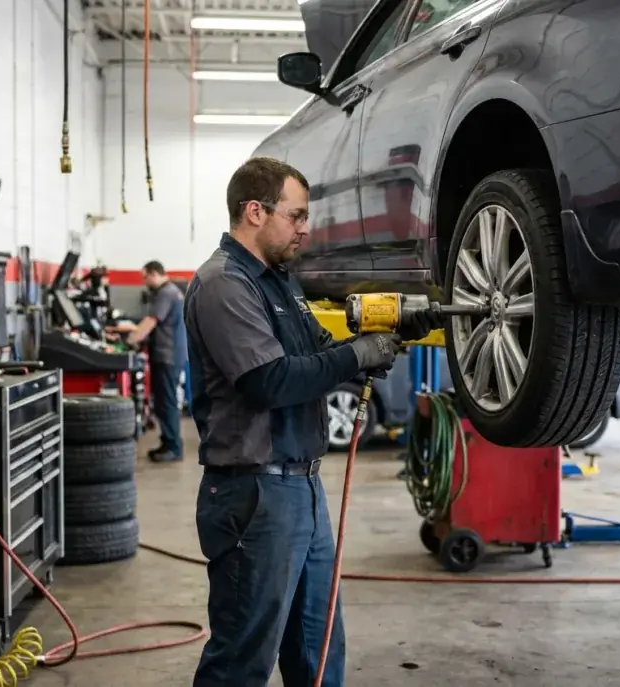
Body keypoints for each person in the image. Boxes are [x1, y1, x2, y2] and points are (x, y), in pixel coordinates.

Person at [184, 156, 440, 686]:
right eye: (295, 216)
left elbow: (319, 351)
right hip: (254, 494)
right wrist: (356, 357)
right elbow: (268, 382)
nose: (305, 228)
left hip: (301, 486)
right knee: (242, 656)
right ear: (255, 212)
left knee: (317, 646)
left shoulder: (281, 282)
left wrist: (377, 341)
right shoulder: (224, 284)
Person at [127, 260, 186, 463]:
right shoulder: (172, 291)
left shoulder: (166, 293)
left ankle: (173, 447)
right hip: (169, 354)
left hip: (167, 356)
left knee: (167, 402)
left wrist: (130, 340)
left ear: (154, 274)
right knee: (163, 402)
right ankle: (167, 442)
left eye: (145, 277)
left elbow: (151, 321)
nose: (145, 282)